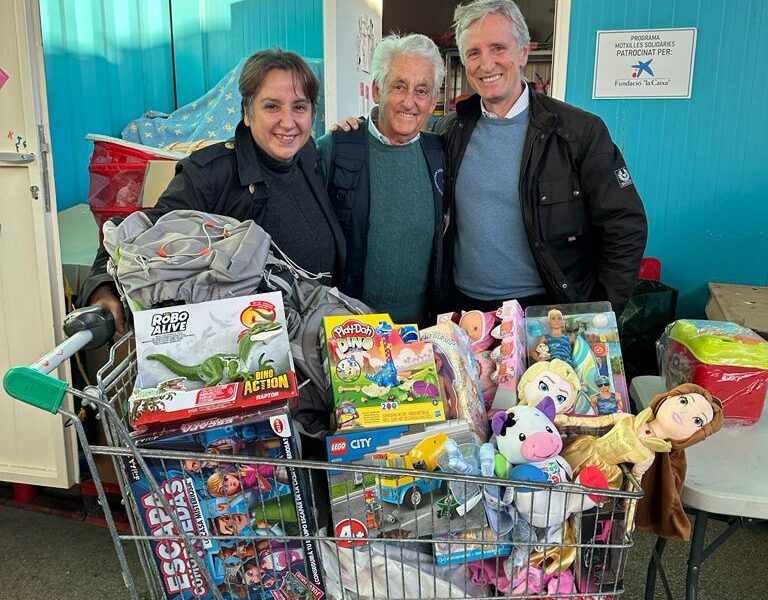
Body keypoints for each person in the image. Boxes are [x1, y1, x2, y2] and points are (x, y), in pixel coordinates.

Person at [81, 49, 345, 333]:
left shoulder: (307, 157)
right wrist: (102, 288)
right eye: (272, 106)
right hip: (252, 342)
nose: (288, 121)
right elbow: (137, 231)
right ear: (247, 113)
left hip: (320, 335)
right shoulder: (209, 173)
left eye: (299, 107)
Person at [434, 0, 647, 316]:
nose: (486, 64)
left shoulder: (580, 132)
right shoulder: (450, 129)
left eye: (498, 48)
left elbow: (624, 226)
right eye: (473, 53)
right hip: (465, 311)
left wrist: (598, 314)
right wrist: (361, 131)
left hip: (546, 312)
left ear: (523, 52)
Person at [317, 33, 446, 325]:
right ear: (377, 90)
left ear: (433, 101)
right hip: (350, 327)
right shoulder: (336, 148)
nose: (409, 102)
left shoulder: (440, 153)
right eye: (399, 86)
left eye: (422, 91)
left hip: (421, 328)